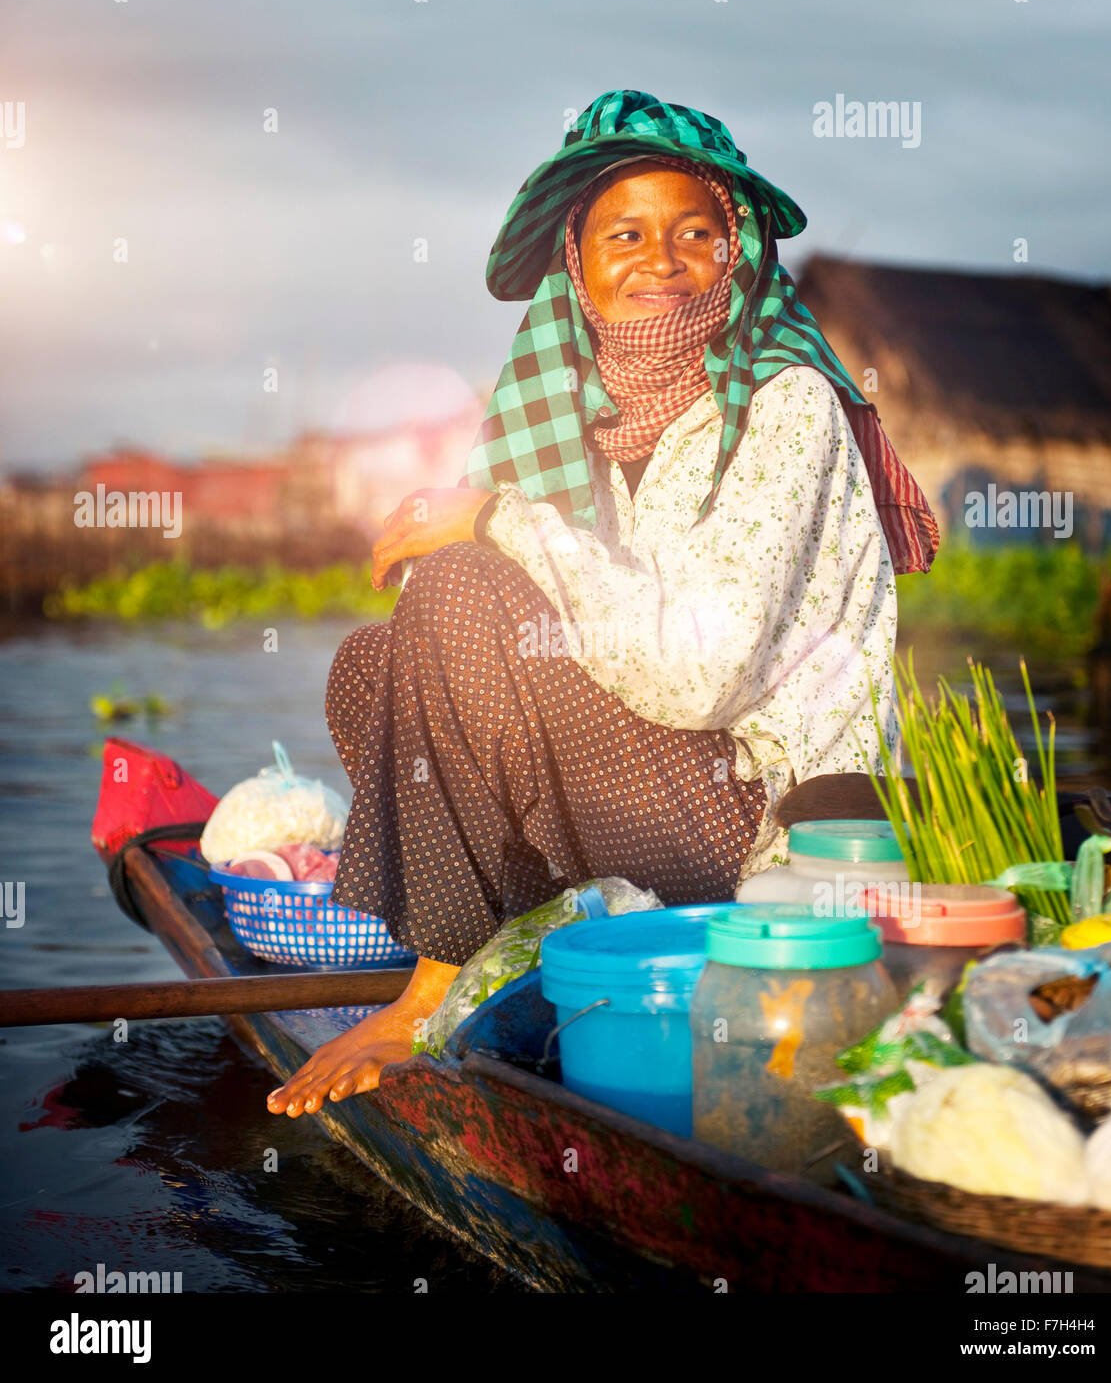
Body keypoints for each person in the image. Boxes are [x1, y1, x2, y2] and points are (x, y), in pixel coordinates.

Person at [267, 90, 938, 1118]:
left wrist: (496, 521)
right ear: (577, 265)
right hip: (651, 799)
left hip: (759, 833)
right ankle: (530, 940)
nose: (660, 259)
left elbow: (701, 675)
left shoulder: (783, 402)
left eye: (694, 232)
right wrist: (492, 543)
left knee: (460, 582)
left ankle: (432, 993)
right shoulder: (576, 421)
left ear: (734, 251)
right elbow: (485, 651)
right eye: (625, 234)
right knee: (375, 661)